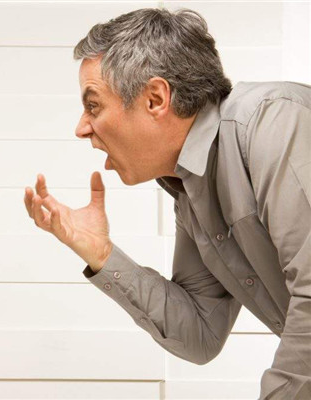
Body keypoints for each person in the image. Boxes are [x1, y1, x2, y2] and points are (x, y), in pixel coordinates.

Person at [24, 8, 310, 399]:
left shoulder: (272, 122)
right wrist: (103, 254)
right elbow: (201, 333)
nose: (82, 127)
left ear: (156, 98)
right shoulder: (192, 189)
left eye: (93, 106)